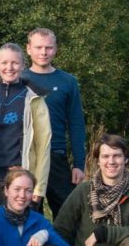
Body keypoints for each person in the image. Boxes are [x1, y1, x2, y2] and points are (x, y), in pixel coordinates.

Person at [0, 43, 51, 211]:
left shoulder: (34, 100)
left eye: (15, 63)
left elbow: (43, 146)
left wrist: (39, 187)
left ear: (23, 65)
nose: (9, 67)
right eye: (4, 63)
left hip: (19, 180)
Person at [21, 28, 87, 215]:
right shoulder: (19, 80)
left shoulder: (68, 81)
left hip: (56, 155)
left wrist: (79, 164)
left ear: (55, 49)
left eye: (48, 47)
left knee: (67, 213)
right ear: (28, 49)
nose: (43, 52)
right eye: (38, 47)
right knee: (29, 212)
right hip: (27, 156)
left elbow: (76, 124)